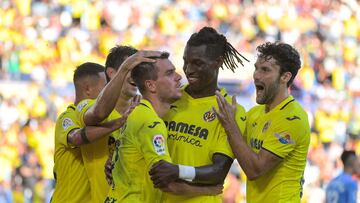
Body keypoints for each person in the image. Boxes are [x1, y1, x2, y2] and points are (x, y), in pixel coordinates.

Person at [106, 52, 223, 203]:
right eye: (169, 73)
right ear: (151, 85)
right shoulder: (150, 122)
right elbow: (165, 180)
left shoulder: (137, 113)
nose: (178, 77)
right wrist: (208, 190)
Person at [149, 26, 248, 203]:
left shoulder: (229, 110)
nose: (188, 69)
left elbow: (218, 172)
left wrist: (177, 171)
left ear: (218, 62)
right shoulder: (170, 99)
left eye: (198, 63)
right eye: (186, 61)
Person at [214, 42, 310, 202]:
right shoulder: (255, 113)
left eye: (265, 70)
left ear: (285, 76)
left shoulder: (292, 118)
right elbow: (236, 149)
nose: (256, 75)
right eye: (256, 68)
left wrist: (231, 125)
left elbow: (255, 169)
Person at [76, 48, 164, 202]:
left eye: (138, 70)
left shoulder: (145, 111)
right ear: (111, 72)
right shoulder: (88, 106)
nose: (136, 75)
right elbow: (96, 115)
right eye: (131, 68)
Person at [52, 62, 130, 202]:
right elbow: (76, 138)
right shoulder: (67, 117)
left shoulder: (106, 118)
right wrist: (117, 124)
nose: (108, 91)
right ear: (88, 89)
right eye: (105, 86)